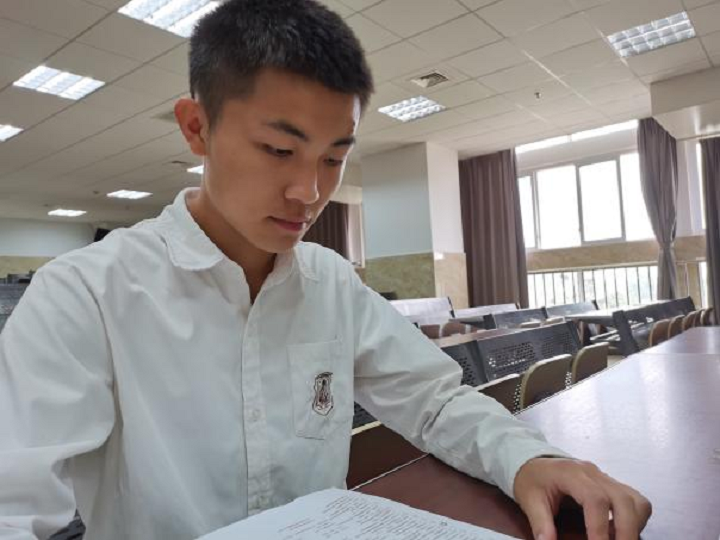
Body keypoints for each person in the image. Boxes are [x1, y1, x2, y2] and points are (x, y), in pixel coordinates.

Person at [0, 1, 651, 539]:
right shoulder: (85, 294)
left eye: (334, 158)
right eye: (278, 150)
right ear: (196, 127)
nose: (309, 193)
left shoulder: (330, 282)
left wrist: (527, 459)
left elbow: (434, 401)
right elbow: (13, 503)